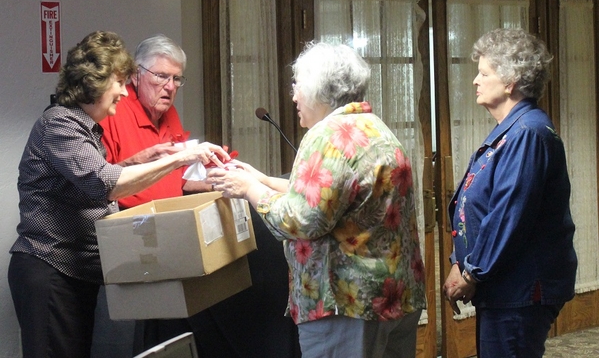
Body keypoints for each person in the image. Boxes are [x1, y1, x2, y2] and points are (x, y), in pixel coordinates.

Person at [7, 30, 229, 358]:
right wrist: (179, 158)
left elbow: (85, 182)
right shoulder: (59, 124)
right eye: (118, 83)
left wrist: (135, 161)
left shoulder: (85, 128)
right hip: (50, 273)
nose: (124, 93)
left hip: (78, 274)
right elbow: (105, 184)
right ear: (94, 82)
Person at [208, 41, 427, 358]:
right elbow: (340, 201)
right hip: (392, 295)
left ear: (317, 90)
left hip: (346, 305)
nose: (294, 96)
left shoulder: (328, 135)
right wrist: (262, 179)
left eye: (297, 86)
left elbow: (302, 220)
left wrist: (247, 189)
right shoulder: (374, 128)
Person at [97, 34, 301, 358]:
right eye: (161, 77)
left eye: (177, 79)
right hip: (135, 241)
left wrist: (215, 180)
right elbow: (104, 182)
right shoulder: (113, 113)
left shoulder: (169, 114)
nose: (170, 87)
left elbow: (176, 180)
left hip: (176, 233)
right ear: (137, 74)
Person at [442, 28, 578, 358]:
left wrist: (472, 271)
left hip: (520, 291)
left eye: (484, 73)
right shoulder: (512, 130)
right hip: (504, 287)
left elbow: (508, 217)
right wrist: (459, 261)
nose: (475, 80)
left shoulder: (528, 133)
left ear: (510, 81)